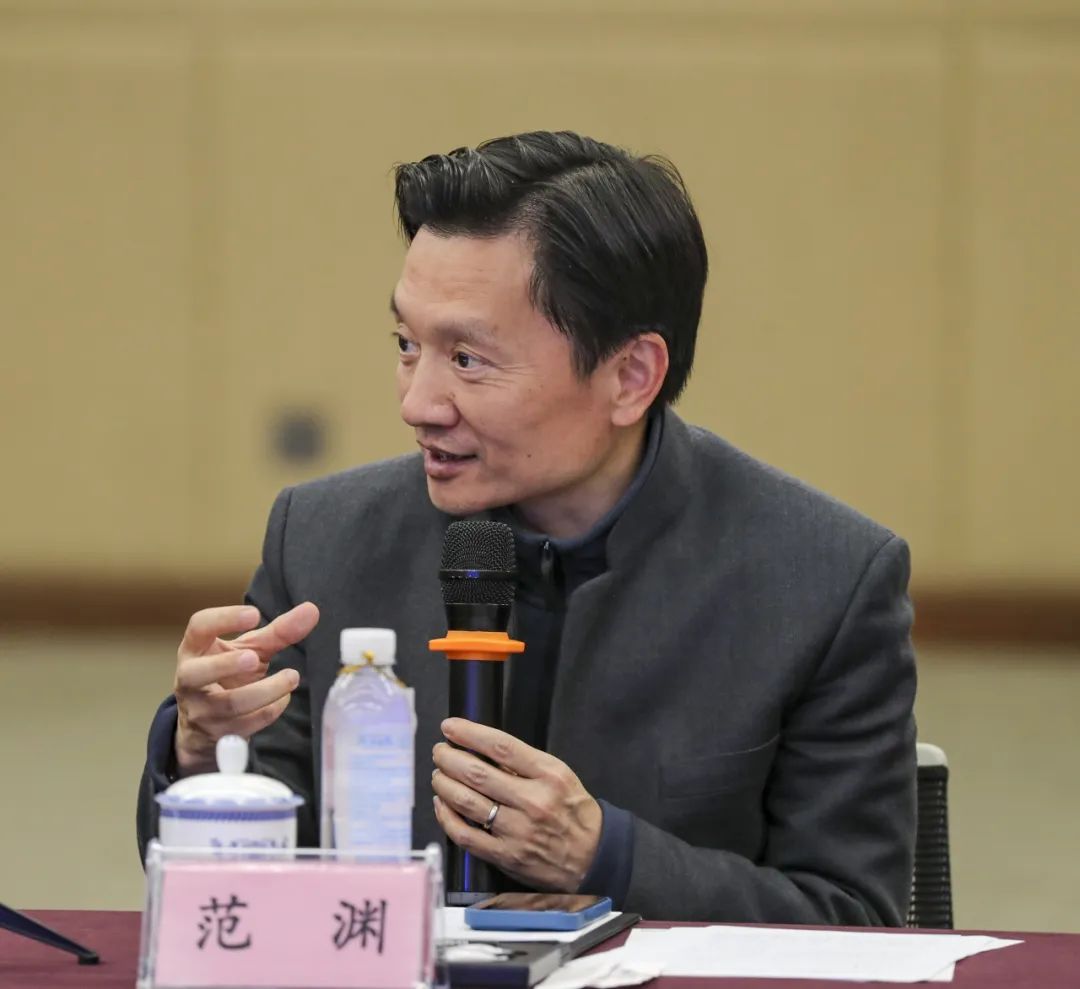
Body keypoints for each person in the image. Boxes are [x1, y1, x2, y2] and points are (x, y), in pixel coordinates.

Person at [137, 130, 916, 924]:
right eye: (407, 345)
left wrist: (608, 855)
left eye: (468, 359)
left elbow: (857, 921)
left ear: (630, 376)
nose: (418, 403)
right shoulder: (323, 540)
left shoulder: (824, 580)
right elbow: (239, 901)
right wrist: (198, 753)